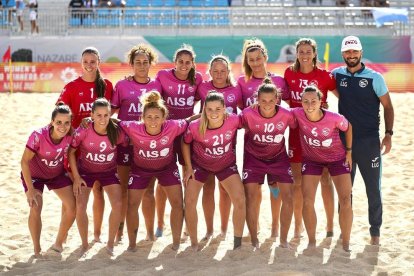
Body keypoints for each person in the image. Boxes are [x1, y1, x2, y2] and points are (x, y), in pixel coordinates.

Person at [332, 36, 394, 246]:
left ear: (361, 52)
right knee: (344, 191)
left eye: (354, 51)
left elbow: (388, 106)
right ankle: (344, 229)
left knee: (373, 190)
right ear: (342, 54)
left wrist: (388, 134)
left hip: (368, 143)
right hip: (343, 143)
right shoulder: (337, 75)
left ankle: (375, 233)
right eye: (347, 52)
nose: (351, 55)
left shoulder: (375, 77)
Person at [119, 91, 191, 252]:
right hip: (140, 169)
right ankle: (132, 244)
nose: (153, 121)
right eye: (149, 117)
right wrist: (89, 120)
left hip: (167, 168)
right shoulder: (132, 127)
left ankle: (176, 242)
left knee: (178, 203)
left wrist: (205, 114)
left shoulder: (172, 126)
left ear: (164, 118)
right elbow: (114, 122)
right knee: (132, 204)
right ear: (142, 118)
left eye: (157, 117)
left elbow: (188, 121)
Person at [57, 46, 113, 243]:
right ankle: (62, 237)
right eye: (86, 61)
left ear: (99, 63)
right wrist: (76, 132)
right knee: (73, 192)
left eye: (93, 61)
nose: (89, 65)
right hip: (75, 149)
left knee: (98, 190)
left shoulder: (107, 85)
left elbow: (110, 115)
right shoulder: (72, 87)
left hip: (99, 149)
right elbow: (60, 116)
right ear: (81, 63)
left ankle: (97, 235)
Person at [284, 38, 336, 238]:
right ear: (296, 53)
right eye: (301, 51)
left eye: (308, 51)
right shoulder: (290, 73)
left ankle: (330, 227)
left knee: (325, 179)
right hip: (297, 133)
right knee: (297, 181)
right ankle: (298, 226)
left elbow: (341, 96)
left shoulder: (325, 76)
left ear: (315, 53)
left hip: (321, 133)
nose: (305, 55)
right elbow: (286, 101)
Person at [237, 38, 289, 237]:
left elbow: (289, 110)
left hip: (275, 145)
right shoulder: (242, 82)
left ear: (265, 57)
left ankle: (275, 226)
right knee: (254, 188)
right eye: (251, 60)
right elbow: (242, 112)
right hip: (252, 145)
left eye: (258, 58)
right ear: (247, 61)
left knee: (274, 186)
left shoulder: (279, 81)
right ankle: (255, 226)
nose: (255, 62)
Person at [291, 86, 353, 252]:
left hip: (337, 159)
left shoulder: (334, 118)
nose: (309, 104)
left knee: (346, 199)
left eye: (313, 101)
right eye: (305, 101)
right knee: (308, 200)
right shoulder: (297, 113)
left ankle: (345, 243)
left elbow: (348, 127)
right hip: (312, 160)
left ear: (321, 102)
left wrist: (349, 151)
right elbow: (278, 111)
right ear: (301, 102)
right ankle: (312, 242)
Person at [182, 91, 246, 250]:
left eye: (218, 109)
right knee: (189, 201)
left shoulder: (234, 120)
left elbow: (250, 119)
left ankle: (237, 243)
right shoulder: (195, 126)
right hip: (200, 165)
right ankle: (195, 243)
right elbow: (185, 142)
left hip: (226, 164)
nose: (214, 113)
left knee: (240, 199)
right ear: (204, 110)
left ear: (225, 108)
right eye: (209, 109)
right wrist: (189, 167)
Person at [111, 44, 162, 242]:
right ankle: (120, 233)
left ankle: (149, 234)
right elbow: (112, 114)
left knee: (148, 192)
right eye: (137, 62)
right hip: (125, 145)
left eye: (145, 62)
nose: (141, 65)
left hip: (149, 147)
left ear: (150, 64)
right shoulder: (122, 86)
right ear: (131, 64)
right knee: (123, 191)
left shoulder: (157, 86)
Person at [154, 44, 203, 238]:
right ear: (175, 62)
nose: (184, 65)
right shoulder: (163, 76)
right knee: (163, 180)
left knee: (187, 178)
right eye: (180, 62)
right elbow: (152, 95)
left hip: (186, 133)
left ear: (193, 64)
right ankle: (160, 223)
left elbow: (207, 100)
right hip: (165, 133)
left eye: (188, 62)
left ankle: (185, 223)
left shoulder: (198, 79)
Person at [240, 78, 294, 249]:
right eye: (263, 100)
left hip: (278, 158)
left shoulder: (286, 114)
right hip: (253, 158)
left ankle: (281, 236)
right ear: (257, 99)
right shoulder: (248, 114)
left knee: (285, 196)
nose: (267, 104)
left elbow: (299, 124)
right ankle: (254, 238)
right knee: (251, 196)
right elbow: (231, 123)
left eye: (271, 100)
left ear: (277, 99)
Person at [69, 98, 126, 255]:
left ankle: (110, 244)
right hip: (85, 172)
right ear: (91, 115)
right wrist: (76, 177)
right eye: (98, 115)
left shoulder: (117, 130)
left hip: (108, 172)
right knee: (80, 206)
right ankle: (85, 244)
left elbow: (131, 138)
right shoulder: (84, 130)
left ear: (110, 115)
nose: (102, 119)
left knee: (118, 204)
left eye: (106, 115)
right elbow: (71, 152)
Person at [196, 54, 242, 240]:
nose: (219, 74)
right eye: (215, 71)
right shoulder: (203, 88)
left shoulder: (236, 90)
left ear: (228, 71)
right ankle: (209, 229)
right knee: (208, 187)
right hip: (204, 146)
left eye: (223, 71)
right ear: (210, 72)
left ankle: (223, 229)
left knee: (224, 189)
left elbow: (247, 110)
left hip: (228, 146)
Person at [20, 105, 76, 257]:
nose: (62, 127)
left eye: (66, 122)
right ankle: (37, 250)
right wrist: (30, 190)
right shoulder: (38, 135)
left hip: (56, 174)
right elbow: (24, 162)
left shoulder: (72, 134)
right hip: (34, 175)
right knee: (35, 206)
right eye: (58, 122)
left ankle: (58, 244)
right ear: (52, 122)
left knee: (73, 207)